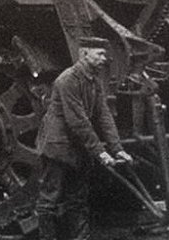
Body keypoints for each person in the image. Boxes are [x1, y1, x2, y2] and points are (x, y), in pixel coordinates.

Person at [36, 36, 133, 240]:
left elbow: (103, 115)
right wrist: (101, 152)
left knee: (77, 199)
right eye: (100, 53)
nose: (104, 58)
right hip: (58, 146)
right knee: (50, 199)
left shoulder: (94, 80)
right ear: (84, 53)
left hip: (77, 147)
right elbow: (77, 120)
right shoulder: (67, 80)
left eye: (105, 54)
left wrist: (117, 149)